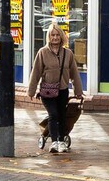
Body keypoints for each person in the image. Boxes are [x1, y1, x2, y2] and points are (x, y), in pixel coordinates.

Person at [26, 22, 83, 154]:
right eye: (53, 35)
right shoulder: (42, 52)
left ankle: (61, 141)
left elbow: (74, 73)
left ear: (62, 37)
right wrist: (31, 90)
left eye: (58, 35)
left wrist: (78, 91)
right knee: (53, 114)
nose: (55, 37)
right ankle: (55, 142)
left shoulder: (68, 53)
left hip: (62, 90)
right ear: (49, 37)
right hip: (47, 91)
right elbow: (36, 72)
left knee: (62, 115)